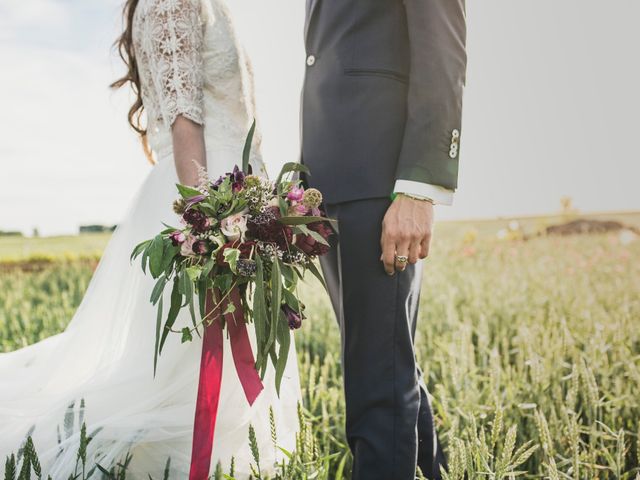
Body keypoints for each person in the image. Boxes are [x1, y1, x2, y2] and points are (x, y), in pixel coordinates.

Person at [0, 0, 300, 477]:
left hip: (237, 197)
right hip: (206, 200)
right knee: (183, 369)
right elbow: (185, 122)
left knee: (198, 371)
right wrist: (210, 227)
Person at [301, 1, 467, 479]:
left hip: (382, 184)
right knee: (388, 369)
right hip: (330, 188)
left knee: (377, 386)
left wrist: (419, 188)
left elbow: (443, 51)